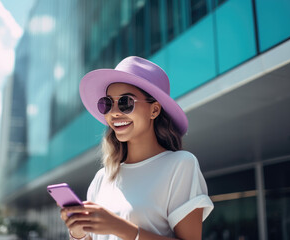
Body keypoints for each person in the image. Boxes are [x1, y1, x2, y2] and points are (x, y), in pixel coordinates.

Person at [60, 56, 214, 240]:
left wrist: (120, 227)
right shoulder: (102, 178)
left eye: (125, 102)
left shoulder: (180, 165)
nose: (114, 112)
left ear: (154, 110)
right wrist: (78, 233)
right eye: (107, 104)